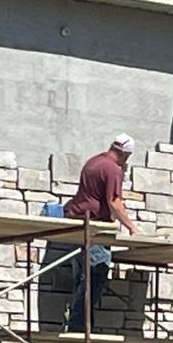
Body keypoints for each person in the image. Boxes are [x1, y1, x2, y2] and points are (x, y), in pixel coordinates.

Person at [58, 134, 139, 331]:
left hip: (79, 225)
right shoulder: (112, 169)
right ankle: (78, 326)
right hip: (95, 228)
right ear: (125, 154)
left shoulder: (93, 162)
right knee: (96, 274)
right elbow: (114, 202)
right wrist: (132, 228)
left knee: (83, 278)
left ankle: (79, 324)